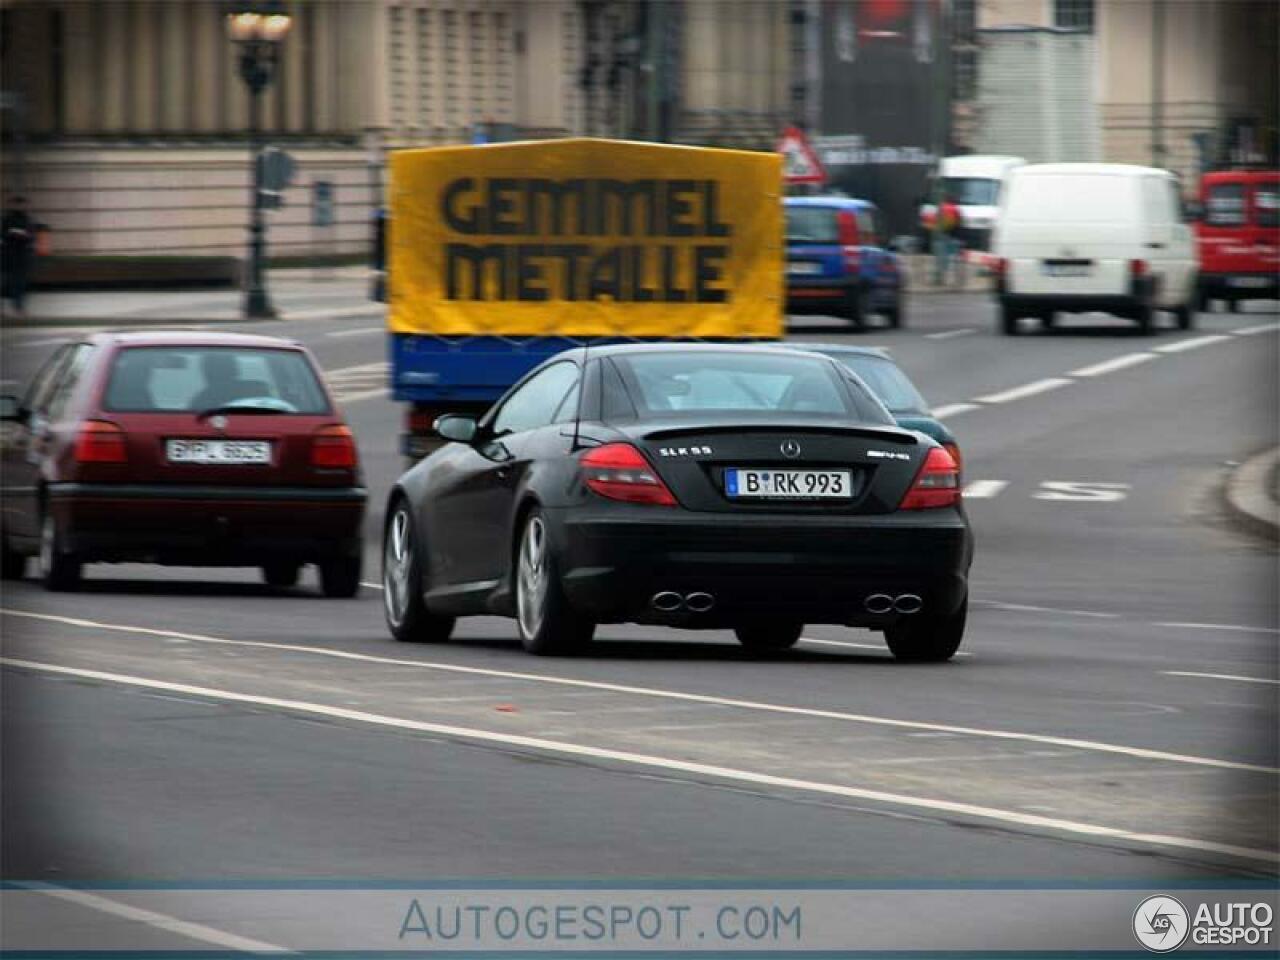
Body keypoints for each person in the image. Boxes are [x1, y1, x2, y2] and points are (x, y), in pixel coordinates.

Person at [2, 195, 36, 318]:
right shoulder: (6, 219)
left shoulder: (27, 220)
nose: (20, 206)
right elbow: (3, 235)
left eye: (21, 204)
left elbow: (31, 237)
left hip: (20, 257)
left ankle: (19, 309)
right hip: (8, 256)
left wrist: (22, 235)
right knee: (6, 283)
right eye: (17, 204)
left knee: (19, 284)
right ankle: (16, 309)